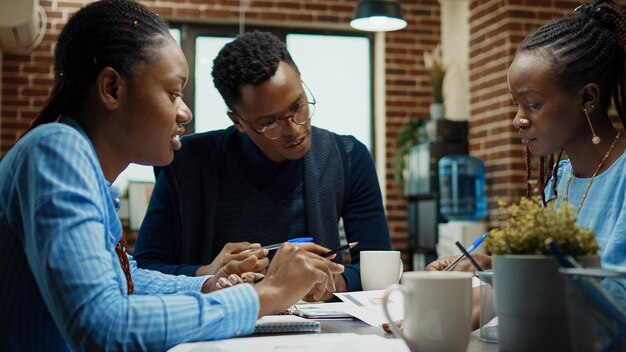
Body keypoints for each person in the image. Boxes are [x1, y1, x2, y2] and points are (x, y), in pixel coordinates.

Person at [0, 1, 344, 350]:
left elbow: (126, 279)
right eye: (173, 93)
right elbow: (103, 326)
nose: (186, 113)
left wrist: (208, 283)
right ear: (112, 89)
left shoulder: (78, 164)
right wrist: (267, 295)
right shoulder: (57, 151)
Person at [133, 31, 392, 299]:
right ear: (239, 122)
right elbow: (142, 271)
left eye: (298, 105)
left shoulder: (347, 157)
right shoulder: (186, 164)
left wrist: (328, 282)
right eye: (270, 122)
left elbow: (379, 268)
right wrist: (207, 273)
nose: (294, 129)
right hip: (218, 328)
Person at [428, 0, 626, 318]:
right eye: (516, 105)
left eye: (532, 104)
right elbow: (547, 283)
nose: (518, 120)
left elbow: (615, 303)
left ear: (587, 98)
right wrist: (495, 268)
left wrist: (512, 280)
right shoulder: (561, 181)